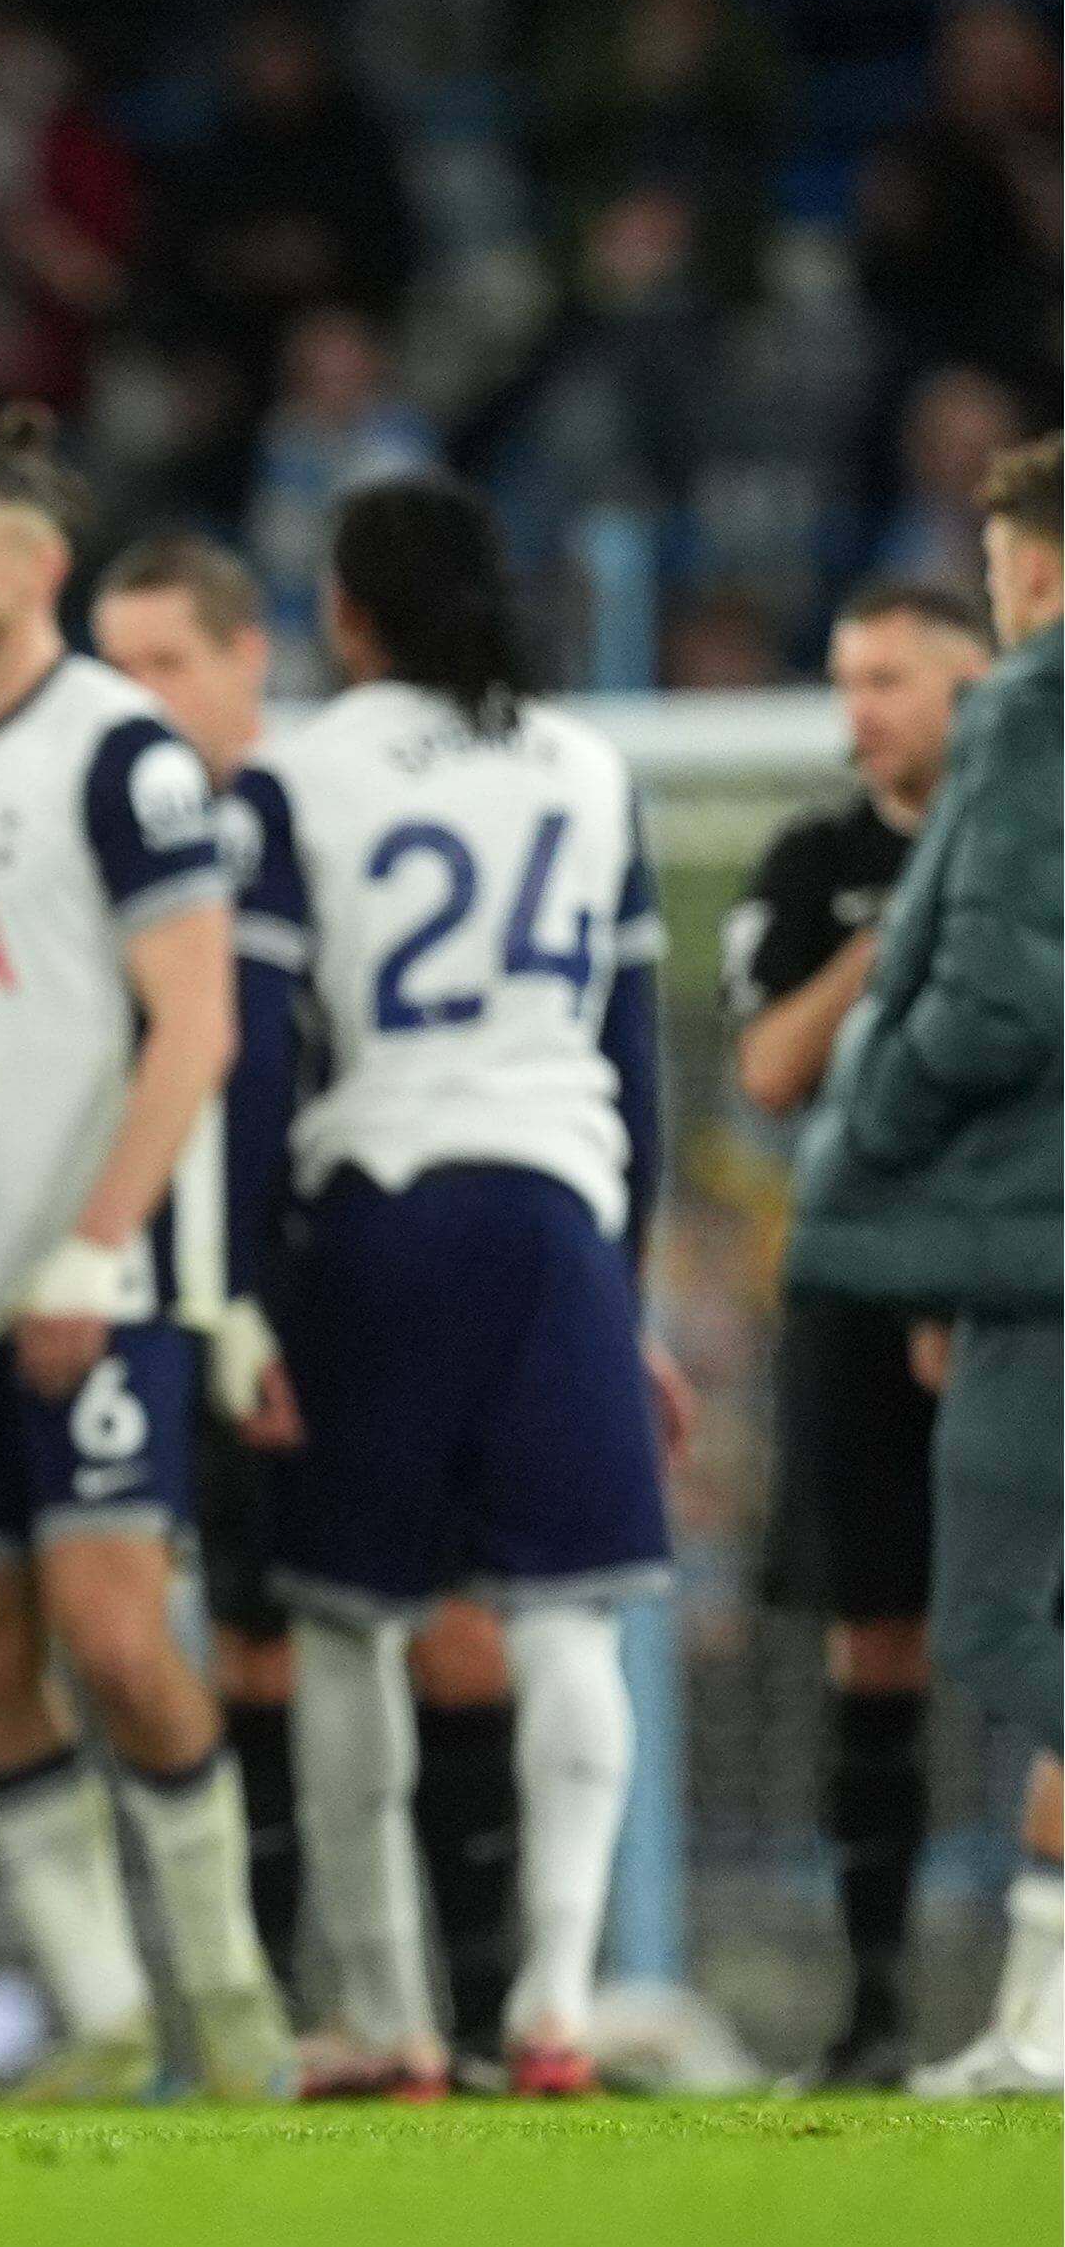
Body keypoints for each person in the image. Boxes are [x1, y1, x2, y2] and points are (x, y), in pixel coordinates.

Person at [0, 410, 291, 2109]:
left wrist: (98, 1249)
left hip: (102, 1271)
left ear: (36, 571)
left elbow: (198, 1026)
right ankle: (100, 2013)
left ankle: (230, 1995)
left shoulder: (121, 751)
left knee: (110, 1630)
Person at [222, 473, 690, 2101]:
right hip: (558, 1220)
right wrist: (622, 1303)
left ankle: (396, 2022)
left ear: (348, 611)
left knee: (350, 1625)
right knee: (570, 1617)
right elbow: (637, 1066)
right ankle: (556, 2007)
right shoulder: (588, 768)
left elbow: (256, 1066)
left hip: (380, 1216)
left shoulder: (296, 774)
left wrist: (236, 1291)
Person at [95, 532, 529, 2062]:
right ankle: (284, 2021)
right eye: (116, 665)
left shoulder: (328, 807)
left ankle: (475, 2014)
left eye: (166, 663)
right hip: (218, 1286)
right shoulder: (123, 845)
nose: (135, 697)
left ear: (246, 663)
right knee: (255, 1646)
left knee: (453, 1630)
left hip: (380, 1266)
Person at [790, 434, 1063, 2099]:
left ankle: (1032, 2035)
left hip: (1032, 1252)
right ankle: (1038, 2033)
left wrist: (869, 1127)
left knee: (992, 1620)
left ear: (1027, 573)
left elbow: (994, 998)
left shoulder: (1032, 710)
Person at [728, 578, 991, 2088]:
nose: (858, 708)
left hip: (1024, 1284)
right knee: (871, 1634)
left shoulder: (1033, 850)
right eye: (846, 678)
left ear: (970, 689)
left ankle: (1034, 1987)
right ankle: (873, 2007)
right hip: (848, 1284)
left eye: (889, 678)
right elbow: (764, 1069)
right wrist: (876, 949)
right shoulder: (812, 858)